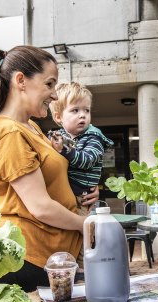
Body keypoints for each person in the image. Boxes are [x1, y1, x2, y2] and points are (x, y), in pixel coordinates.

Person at [0, 45, 98, 292]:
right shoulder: (9, 132)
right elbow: (40, 207)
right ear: (21, 81)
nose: (54, 96)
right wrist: (88, 225)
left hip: (49, 256)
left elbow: (50, 184)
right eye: (49, 84)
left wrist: (81, 194)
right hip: (29, 261)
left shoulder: (30, 126)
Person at [48, 82, 114, 216]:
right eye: (75, 110)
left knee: (81, 230)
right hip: (64, 193)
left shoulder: (94, 137)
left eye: (86, 110)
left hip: (81, 197)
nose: (83, 115)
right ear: (58, 117)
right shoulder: (61, 136)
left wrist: (64, 150)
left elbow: (87, 160)